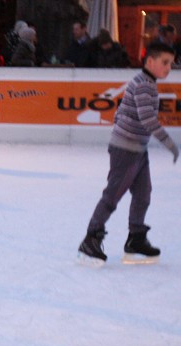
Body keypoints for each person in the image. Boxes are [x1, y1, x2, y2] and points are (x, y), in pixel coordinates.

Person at [78, 42, 178, 267]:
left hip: (137, 150)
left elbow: (122, 111)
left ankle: (136, 239)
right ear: (150, 61)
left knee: (143, 194)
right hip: (126, 151)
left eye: (171, 63)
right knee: (113, 195)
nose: (168, 67)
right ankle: (91, 239)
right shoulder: (143, 84)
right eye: (164, 62)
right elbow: (147, 119)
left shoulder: (146, 82)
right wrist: (170, 143)